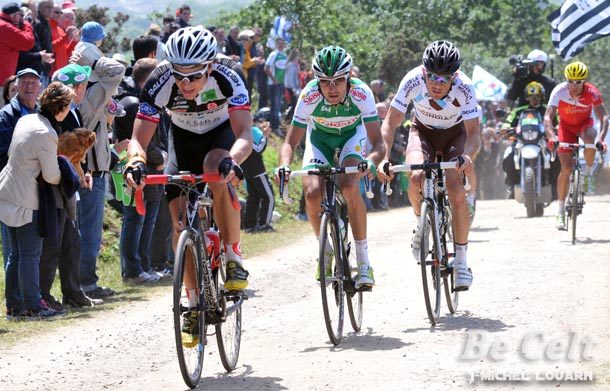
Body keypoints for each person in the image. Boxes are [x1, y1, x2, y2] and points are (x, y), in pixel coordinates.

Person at [124, 26, 253, 345]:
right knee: (180, 222)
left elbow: (245, 135)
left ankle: (233, 257)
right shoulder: (159, 80)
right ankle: (193, 303)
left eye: (194, 76)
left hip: (221, 136)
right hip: (181, 140)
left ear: (209, 66)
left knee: (215, 170)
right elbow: (138, 139)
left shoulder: (229, 74)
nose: (185, 83)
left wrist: (233, 161)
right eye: (180, 75)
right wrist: (134, 163)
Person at [277, 45, 384, 289]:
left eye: (338, 81)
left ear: (348, 78)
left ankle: (364, 263)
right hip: (320, 140)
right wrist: (284, 164)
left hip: (351, 138)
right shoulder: (309, 95)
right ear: (317, 81)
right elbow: (290, 141)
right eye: (325, 82)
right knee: (313, 193)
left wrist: (371, 161)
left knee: (349, 185)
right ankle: (324, 251)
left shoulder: (361, 93)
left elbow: (378, 143)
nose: (332, 88)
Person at [378, 40, 478, 290]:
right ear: (424, 72)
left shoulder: (465, 87)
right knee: (415, 177)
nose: (437, 84)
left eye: (444, 79)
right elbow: (390, 122)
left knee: (456, 190)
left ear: (454, 76)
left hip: (456, 134)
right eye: (432, 76)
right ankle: (421, 224)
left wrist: (467, 156)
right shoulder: (412, 80)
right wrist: (384, 156)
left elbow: (474, 132)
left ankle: (462, 262)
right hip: (421, 131)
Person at [0, 81, 75, 320]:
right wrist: (67, 167)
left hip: (6, 190)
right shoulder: (47, 132)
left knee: (16, 255)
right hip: (25, 198)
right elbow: (52, 175)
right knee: (30, 254)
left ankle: (14, 306)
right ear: (60, 108)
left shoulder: (27, 119)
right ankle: (34, 305)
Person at [544, 61, 608, 230]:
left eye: (578, 82)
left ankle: (587, 173)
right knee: (565, 168)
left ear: (584, 81)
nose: (573, 85)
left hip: (585, 125)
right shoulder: (559, 91)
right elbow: (548, 118)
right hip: (565, 127)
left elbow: (604, 118)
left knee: (590, 138)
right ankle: (560, 211)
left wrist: (601, 139)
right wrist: (552, 137)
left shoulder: (592, 92)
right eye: (570, 81)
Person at [242, 108, 274, 233]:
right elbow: (257, 149)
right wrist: (265, 136)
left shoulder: (239, 132)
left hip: (248, 171)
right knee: (269, 196)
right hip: (256, 171)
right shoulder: (246, 133)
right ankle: (264, 224)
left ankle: (250, 226)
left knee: (253, 198)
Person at [0, 2, 35, 87]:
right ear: (14, 15)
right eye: (20, 15)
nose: (21, 18)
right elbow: (28, 43)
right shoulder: (4, 27)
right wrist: (27, 24)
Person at [264, 36, 287, 134]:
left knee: (278, 105)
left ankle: (275, 124)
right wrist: (274, 80)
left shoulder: (285, 55)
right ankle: (274, 127)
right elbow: (266, 68)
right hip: (273, 84)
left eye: (283, 43)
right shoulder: (273, 54)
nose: (281, 45)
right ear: (276, 44)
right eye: (279, 43)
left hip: (281, 84)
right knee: (275, 105)